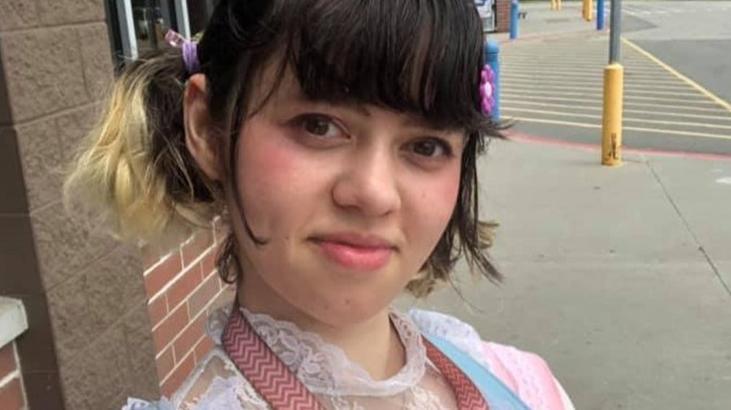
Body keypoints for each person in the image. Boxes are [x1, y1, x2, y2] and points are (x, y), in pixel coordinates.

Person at [64, 1, 574, 409]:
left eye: (425, 146)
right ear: (208, 130)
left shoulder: (522, 383)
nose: (374, 193)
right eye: (319, 125)